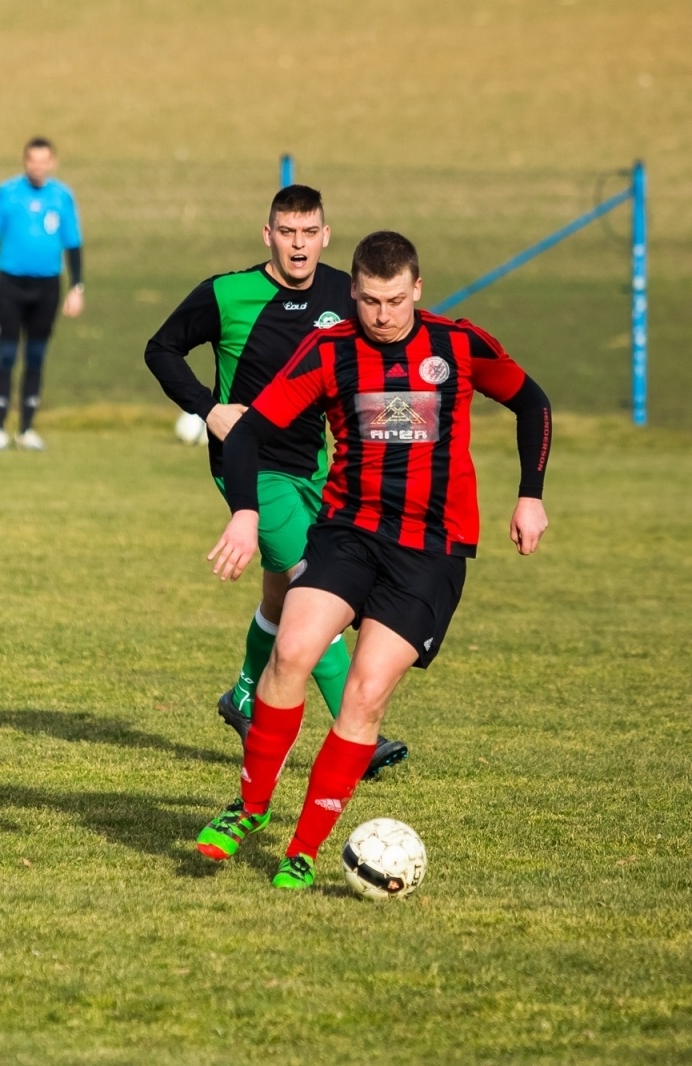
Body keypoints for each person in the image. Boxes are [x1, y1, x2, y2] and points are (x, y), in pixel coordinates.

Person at [196, 231, 552, 890]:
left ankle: (302, 849)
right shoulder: (330, 350)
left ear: (417, 289)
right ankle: (247, 809)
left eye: (393, 300)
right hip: (348, 533)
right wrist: (244, 511)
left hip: (431, 550)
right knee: (293, 651)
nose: (381, 315)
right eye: (367, 300)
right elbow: (249, 431)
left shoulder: (458, 344)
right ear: (352, 292)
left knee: (363, 696)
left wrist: (529, 496)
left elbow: (532, 402)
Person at [144, 185, 406, 777]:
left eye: (309, 232)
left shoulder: (346, 291)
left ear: (325, 236)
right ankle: (358, 734)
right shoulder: (226, 293)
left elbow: (384, 356)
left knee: (283, 593)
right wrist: (208, 409)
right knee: (319, 588)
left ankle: (243, 697)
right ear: (268, 235)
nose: (298, 245)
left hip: (319, 467)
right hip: (248, 467)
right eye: (287, 233)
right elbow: (160, 350)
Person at [0, 137, 84, 450]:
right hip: (10, 285)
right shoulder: (7, 194)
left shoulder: (62, 197)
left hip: (47, 287)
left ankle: (27, 428)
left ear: (52, 163)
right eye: (32, 159)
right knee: (6, 355)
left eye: (43, 160)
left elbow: (73, 244)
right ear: (24, 161)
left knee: (35, 356)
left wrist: (77, 287)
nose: (37, 166)